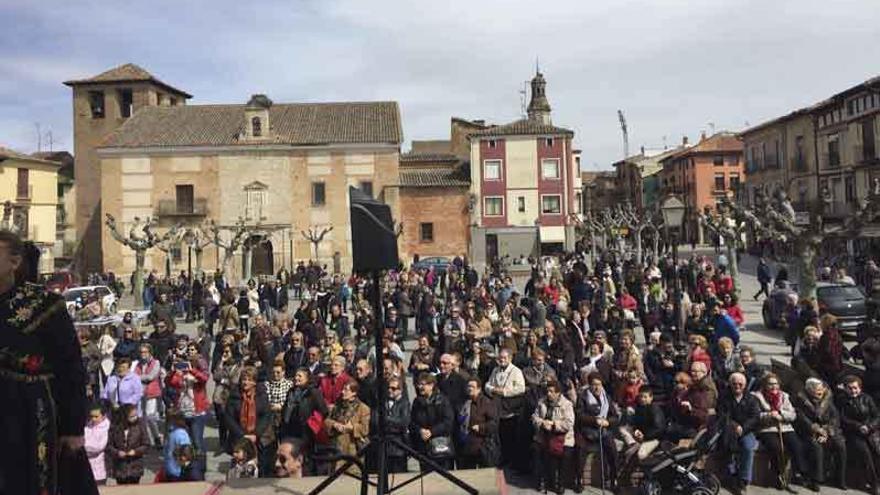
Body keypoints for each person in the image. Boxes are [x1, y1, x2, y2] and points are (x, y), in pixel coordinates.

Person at [0, 230, 97, 495]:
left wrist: (74, 427)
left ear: (14, 262)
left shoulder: (45, 306)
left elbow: (71, 368)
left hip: (29, 414)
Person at [752, 373, 809, 492]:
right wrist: (769, 415)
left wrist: (781, 414)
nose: (774, 386)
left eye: (776, 383)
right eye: (770, 384)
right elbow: (755, 415)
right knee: (777, 448)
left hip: (785, 427)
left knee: (797, 446)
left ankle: (800, 473)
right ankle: (778, 475)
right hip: (767, 429)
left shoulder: (784, 396)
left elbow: (793, 415)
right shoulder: (757, 397)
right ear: (764, 385)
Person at [793, 377, 846, 491]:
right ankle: (815, 480)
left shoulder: (827, 399)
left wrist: (826, 431)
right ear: (809, 390)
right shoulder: (801, 400)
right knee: (816, 446)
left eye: (821, 388)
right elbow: (802, 419)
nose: (820, 391)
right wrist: (817, 430)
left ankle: (840, 478)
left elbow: (835, 418)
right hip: (808, 431)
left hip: (827, 431)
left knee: (840, 445)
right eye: (817, 389)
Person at [224, 366, 274, 474]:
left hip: (259, 438)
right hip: (239, 437)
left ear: (255, 382)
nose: (245, 382)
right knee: (239, 468)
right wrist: (242, 435)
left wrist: (256, 434)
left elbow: (266, 415)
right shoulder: (234, 396)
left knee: (261, 468)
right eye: (244, 379)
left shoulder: (262, 395)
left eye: (249, 380)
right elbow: (228, 418)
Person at [574, 372, 619, 492]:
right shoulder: (583, 396)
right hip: (586, 430)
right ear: (589, 385)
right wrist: (595, 420)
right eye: (594, 385)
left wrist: (608, 422)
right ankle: (579, 479)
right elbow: (579, 415)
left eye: (599, 384)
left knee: (612, 449)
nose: (597, 387)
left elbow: (614, 416)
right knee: (579, 448)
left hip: (603, 431)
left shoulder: (606, 397)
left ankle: (614, 479)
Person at [717, 372, 761, 495]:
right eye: (734, 383)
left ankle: (743, 480)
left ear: (745, 385)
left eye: (740, 384)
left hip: (747, 430)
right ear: (730, 384)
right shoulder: (724, 397)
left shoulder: (752, 399)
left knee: (748, 447)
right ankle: (732, 476)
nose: (737, 386)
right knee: (728, 446)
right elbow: (722, 415)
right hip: (729, 429)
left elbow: (755, 417)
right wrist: (734, 426)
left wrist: (743, 427)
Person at [484, 348, 526, 469]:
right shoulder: (495, 370)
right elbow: (487, 385)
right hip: (497, 408)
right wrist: (493, 390)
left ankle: (512, 461)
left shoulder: (516, 371)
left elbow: (521, 389)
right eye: (500, 358)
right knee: (500, 436)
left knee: (510, 436)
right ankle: (503, 458)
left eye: (504, 358)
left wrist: (505, 392)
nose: (502, 360)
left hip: (510, 408)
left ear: (510, 358)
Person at [839, 374, 880, 495]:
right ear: (845, 388)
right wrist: (858, 426)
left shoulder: (867, 398)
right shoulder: (842, 400)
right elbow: (843, 418)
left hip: (870, 430)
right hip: (853, 433)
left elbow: (877, 415)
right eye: (850, 388)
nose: (853, 391)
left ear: (860, 388)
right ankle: (874, 483)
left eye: (855, 388)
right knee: (865, 453)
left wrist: (869, 426)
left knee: (877, 450)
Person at [532, 379, 575, 494]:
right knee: (537, 449)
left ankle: (560, 483)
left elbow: (569, 423)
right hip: (544, 435)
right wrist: (542, 422)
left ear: (558, 393)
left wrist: (554, 424)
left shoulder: (566, 404)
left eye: (551, 391)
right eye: (547, 391)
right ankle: (542, 480)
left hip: (563, 437)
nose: (548, 394)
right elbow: (534, 417)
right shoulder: (542, 402)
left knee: (565, 455)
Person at [410, 372, 456, 470]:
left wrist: (432, 431)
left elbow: (448, 422)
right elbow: (412, 422)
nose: (420, 387)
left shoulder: (443, 400)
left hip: (441, 447)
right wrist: (420, 430)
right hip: (424, 448)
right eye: (419, 384)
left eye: (423, 384)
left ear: (431, 385)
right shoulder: (417, 402)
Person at [324, 381, 370, 474]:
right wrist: (334, 424)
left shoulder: (363, 408)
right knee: (335, 475)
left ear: (354, 393)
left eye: (346, 390)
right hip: (337, 448)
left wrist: (352, 427)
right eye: (343, 389)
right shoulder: (338, 406)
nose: (342, 392)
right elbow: (327, 421)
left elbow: (365, 429)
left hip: (352, 449)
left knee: (353, 476)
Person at [457, 376, 498, 470]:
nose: (469, 388)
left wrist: (481, 427)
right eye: (468, 386)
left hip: (481, 445)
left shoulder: (486, 403)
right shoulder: (464, 402)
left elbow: (494, 423)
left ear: (479, 389)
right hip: (465, 446)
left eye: (472, 386)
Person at [108, 404, 150, 485]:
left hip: (135, 467)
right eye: (132, 416)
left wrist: (136, 451)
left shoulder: (140, 425)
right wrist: (117, 452)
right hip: (120, 467)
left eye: (136, 415)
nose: (135, 418)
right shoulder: (114, 427)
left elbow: (146, 444)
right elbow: (109, 446)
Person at [383, 376, 411, 473]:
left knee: (399, 474)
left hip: (399, 447)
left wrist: (387, 419)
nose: (390, 390)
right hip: (385, 447)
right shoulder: (383, 402)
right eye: (389, 388)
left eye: (393, 388)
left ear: (400, 390)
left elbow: (404, 422)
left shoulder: (404, 404)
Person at [84, 403, 110, 485]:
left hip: (100, 470)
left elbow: (99, 447)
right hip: (87, 467)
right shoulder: (88, 426)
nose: (93, 419)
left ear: (104, 416)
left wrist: (84, 447)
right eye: (92, 416)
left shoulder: (107, 428)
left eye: (96, 416)